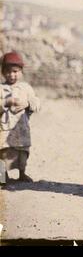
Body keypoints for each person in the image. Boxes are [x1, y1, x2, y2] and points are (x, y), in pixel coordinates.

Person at [0, 52, 40, 185]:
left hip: (21, 129)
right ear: (2, 72)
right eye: (8, 72)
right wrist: (6, 102)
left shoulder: (26, 88)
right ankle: (2, 177)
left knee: (22, 153)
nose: (12, 75)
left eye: (15, 71)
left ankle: (22, 174)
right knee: (3, 154)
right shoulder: (1, 88)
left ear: (21, 71)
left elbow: (36, 102)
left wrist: (28, 103)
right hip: (4, 128)